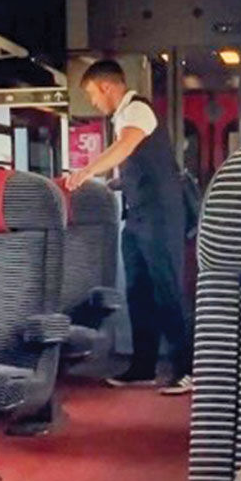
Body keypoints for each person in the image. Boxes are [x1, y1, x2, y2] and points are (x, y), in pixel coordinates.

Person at [64, 60, 194, 395]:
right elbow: (140, 161)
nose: (94, 102)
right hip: (138, 216)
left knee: (166, 289)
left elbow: (125, 147)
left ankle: (186, 369)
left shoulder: (137, 110)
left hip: (161, 216)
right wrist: (118, 182)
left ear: (106, 87)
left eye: (93, 94)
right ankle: (143, 366)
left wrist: (87, 171)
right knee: (137, 291)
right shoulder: (124, 116)